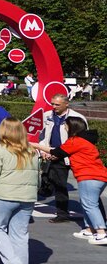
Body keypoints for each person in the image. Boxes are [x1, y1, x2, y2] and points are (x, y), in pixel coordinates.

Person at [0, 118, 41, 264]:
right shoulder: (31, 151)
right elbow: (38, 177)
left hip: (5, 195)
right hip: (27, 197)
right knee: (20, 233)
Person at [36, 116, 107, 245]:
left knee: (90, 204)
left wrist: (34, 145)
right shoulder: (85, 141)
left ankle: (101, 233)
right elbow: (62, 153)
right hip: (97, 175)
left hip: (89, 176)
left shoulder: (75, 141)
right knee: (87, 203)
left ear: (72, 127)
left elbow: (56, 151)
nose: (64, 127)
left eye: (66, 125)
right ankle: (89, 229)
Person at [40, 94, 85, 223]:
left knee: (85, 186)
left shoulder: (77, 118)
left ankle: (94, 213)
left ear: (67, 104)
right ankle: (62, 214)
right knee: (59, 185)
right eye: (52, 104)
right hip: (53, 154)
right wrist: (43, 149)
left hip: (72, 155)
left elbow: (81, 139)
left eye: (57, 104)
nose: (53, 107)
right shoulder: (47, 115)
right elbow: (42, 135)